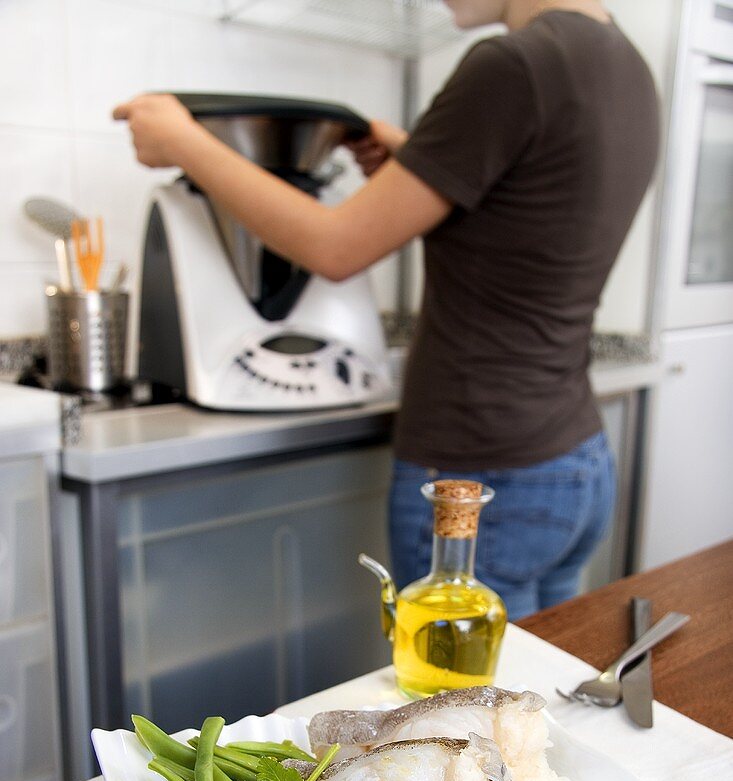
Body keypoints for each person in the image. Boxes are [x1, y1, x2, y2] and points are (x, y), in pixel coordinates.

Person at [113, 0, 659, 620]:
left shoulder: (512, 65)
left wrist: (185, 144)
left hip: (483, 476)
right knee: (536, 700)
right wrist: (424, 159)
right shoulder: (628, 67)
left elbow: (336, 247)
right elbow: (531, 203)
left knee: (460, 707)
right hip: (574, 460)